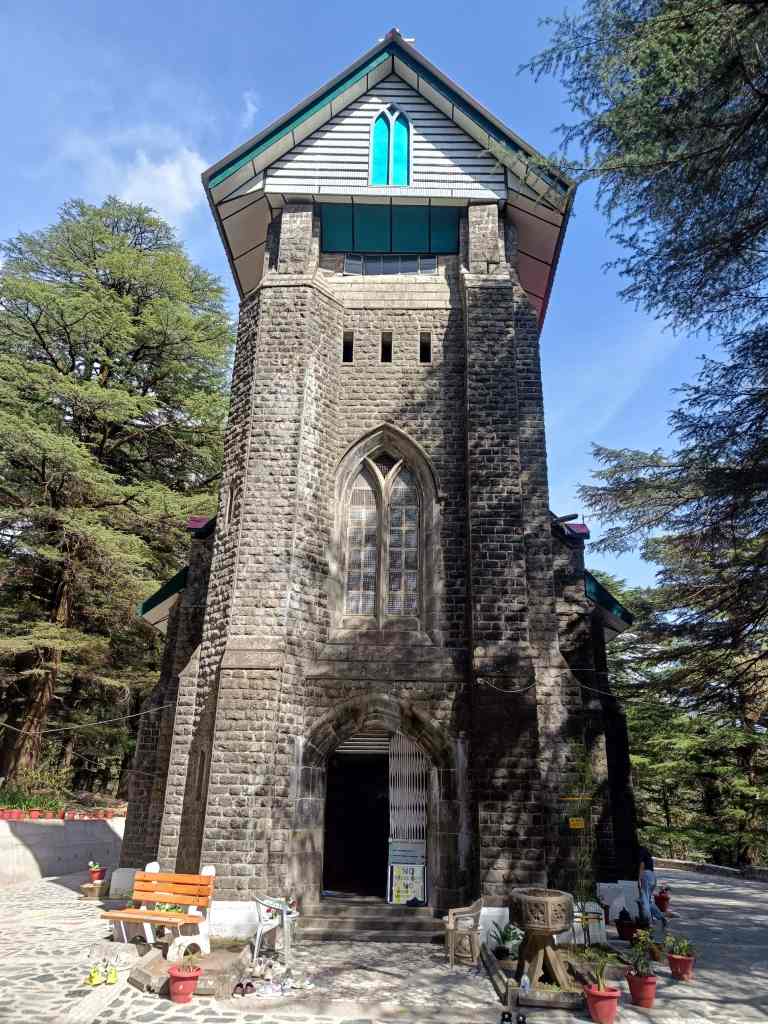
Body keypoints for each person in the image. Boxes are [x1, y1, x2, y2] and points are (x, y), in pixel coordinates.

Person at [637, 843, 667, 928]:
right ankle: (661, 917)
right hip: (652, 876)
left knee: (644, 900)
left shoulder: (640, 852)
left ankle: (648, 921)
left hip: (646, 876)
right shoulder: (647, 855)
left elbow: (642, 865)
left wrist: (639, 879)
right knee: (648, 900)